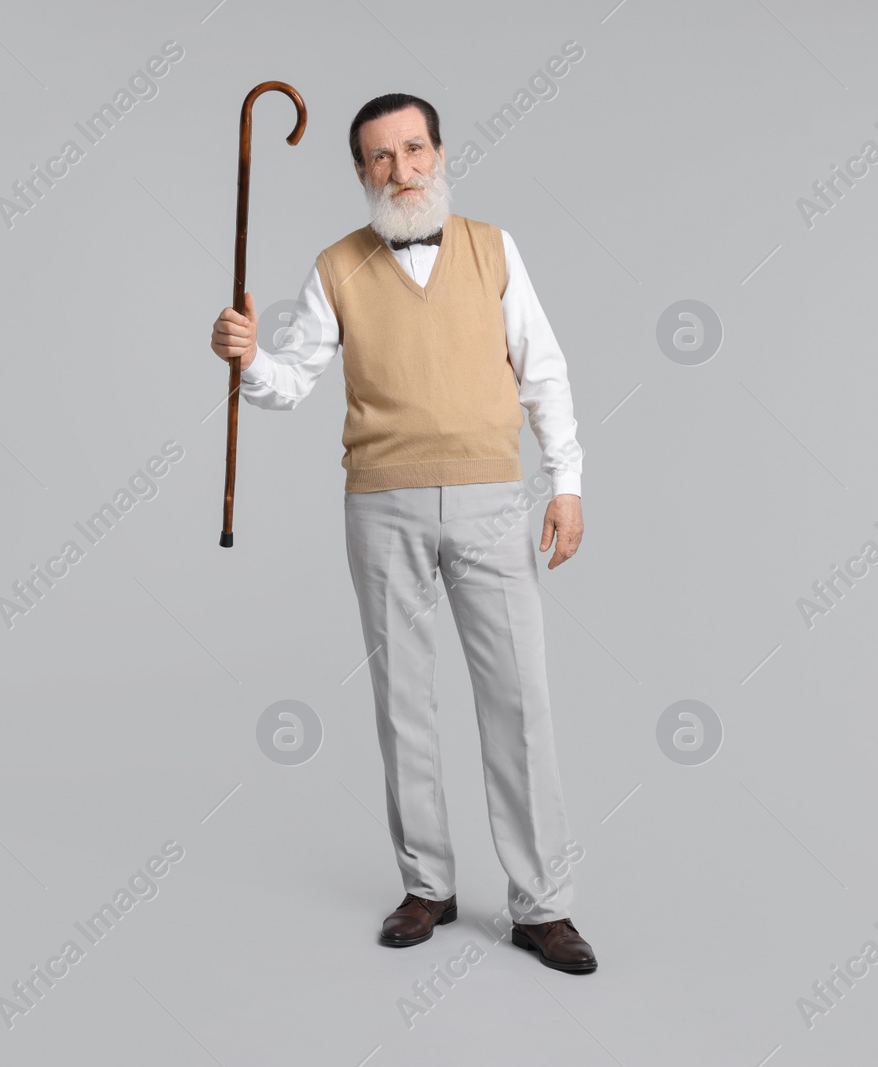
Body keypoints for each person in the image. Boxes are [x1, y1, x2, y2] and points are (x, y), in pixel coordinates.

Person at [210, 92, 596, 974]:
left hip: (494, 499)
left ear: (440, 152)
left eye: (414, 149)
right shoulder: (336, 266)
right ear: (360, 172)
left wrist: (565, 483)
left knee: (519, 704)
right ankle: (429, 885)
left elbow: (545, 371)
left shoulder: (492, 248)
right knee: (404, 702)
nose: (402, 169)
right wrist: (246, 357)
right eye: (381, 157)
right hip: (380, 502)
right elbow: (290, 382)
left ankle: (543, 906)